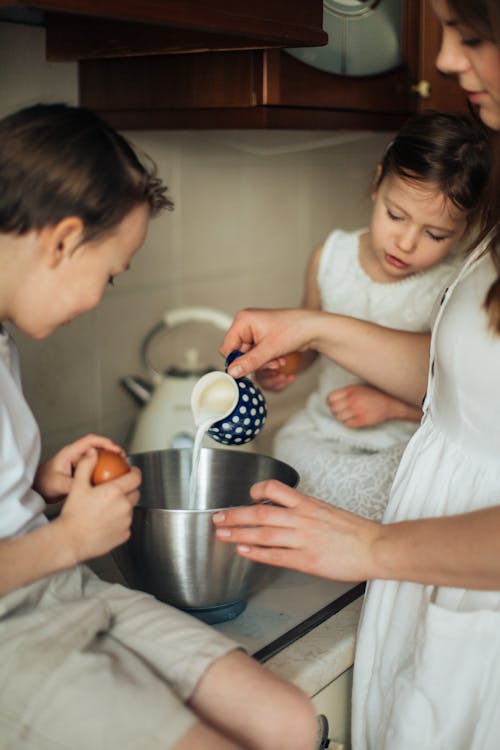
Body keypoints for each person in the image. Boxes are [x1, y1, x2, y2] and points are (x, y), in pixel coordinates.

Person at [213, 1, 500, 747]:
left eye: (471, 36)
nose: (440, 61)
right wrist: (308, 329)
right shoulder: (345, 253)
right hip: (427, 567)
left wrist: (374, 549)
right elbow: (464, 379)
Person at [0, 103, 320, 750]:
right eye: (111, 274)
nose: (101, 296)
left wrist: (35, 487)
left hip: (61, 585)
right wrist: (69, 540)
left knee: (289, 722)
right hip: (16, 622)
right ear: (62, 240)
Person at [256, 111, 491, 521]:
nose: (406, 241)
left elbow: (462, 402)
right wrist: (287, 362)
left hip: (401, 440)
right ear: (376, 183)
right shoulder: (331, 256)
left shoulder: (451, 285)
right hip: (324, 430)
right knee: (284, 463)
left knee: (411, 490)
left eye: (435, 234)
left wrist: (392, 408)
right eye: (395, 215)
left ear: (466, 228)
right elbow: (308, 338)